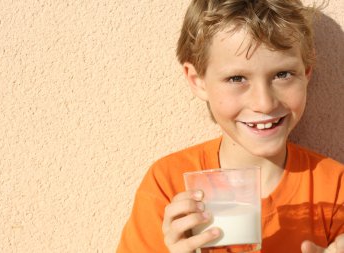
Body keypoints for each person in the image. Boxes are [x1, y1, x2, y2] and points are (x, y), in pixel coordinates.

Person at [117, 0, 344, 252]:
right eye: (237, 78)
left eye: (283, 74)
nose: (264, 103)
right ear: (198, 81)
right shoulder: (168, 186)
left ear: (306, 72)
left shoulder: (336, 190)